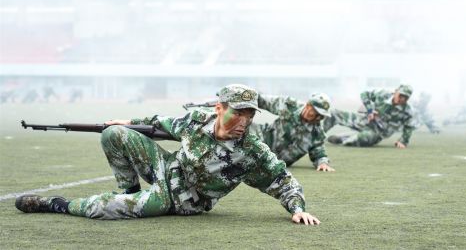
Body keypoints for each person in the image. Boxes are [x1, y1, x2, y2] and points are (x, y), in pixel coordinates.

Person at [15, 84, 320, 225]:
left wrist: (297, 208)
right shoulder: (198, 119)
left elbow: (283, 179)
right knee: (114, 135)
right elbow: (162, 122)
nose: (244, 122)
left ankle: (59, 205)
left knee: (102, 210)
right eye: (238, 114)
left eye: (249, 116)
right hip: (167, 169)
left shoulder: (251, 151)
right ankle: (130, 193)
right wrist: (128, 122)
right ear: (219, 109)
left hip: (180, 201)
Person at [254, 92, 334, 172]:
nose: (317, 116)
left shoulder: (316, 133)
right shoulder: (289, 105)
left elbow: (319, 154)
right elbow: (261, 100)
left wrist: (323, 163)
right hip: (260, 141)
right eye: (314, 111)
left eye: (320, 114)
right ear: (308, 104)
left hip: (274, 163)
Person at [324, 84, 415, 148]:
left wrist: (403, 141)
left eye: (406, 97)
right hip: (366, 121)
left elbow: (409, 126)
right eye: (401, 95)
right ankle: (318, 136)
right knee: (333, 114)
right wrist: (370, 110)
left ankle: (343, 138)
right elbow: (364, 94)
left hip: (377, 133)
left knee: (363, 138)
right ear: (395, 92)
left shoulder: (407, 111)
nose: (402, 99)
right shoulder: (383, 94)